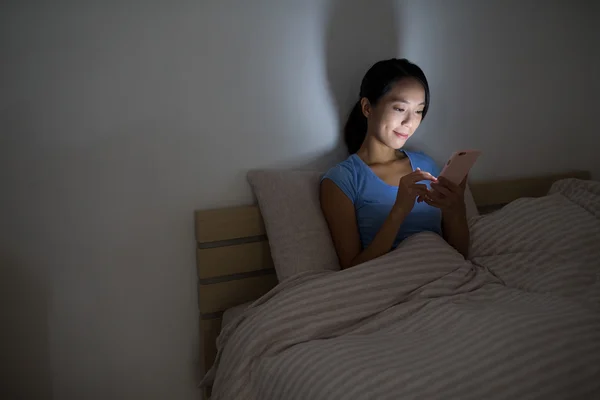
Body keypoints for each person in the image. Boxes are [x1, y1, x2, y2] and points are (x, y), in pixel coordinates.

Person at [320, 58, 469, 269]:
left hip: (447, 279)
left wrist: (456, 209)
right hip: (391, 286)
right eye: (400, 109)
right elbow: (352, 269)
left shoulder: (426, 165)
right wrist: (399, 211)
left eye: (418, 111)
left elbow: (460, 255)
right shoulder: (342, 180)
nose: (410, 123)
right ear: (367, 108)